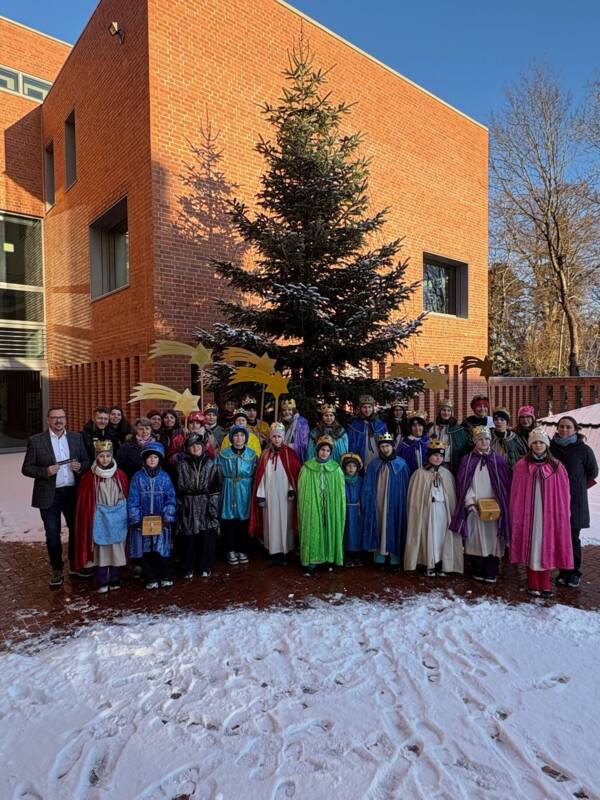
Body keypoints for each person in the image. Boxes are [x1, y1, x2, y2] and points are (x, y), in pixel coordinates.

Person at [22, 406, 91, 587]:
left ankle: (75, 565)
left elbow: (87, 461)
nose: (58, 421)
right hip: (49, 494)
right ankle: (57, 568)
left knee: (76, 530)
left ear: (66, 419)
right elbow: (26, 468)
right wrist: (45, 471)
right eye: (54, 418)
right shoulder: (36, 441)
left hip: (72, 493)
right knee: (52, 534)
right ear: (48, 420)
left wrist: (81, 466)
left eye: (61, 417)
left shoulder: (76, 438)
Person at [509, 429, 573, 598]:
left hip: (549, 515)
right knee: (531, 545)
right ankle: (532, 581)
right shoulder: (522, 466)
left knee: (547, 545)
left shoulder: (556, 466)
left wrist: (561, 514)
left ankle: (545, 581)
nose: (538, 445)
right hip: (528, 514)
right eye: (535, 442)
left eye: (541, 442)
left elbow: (563, 494)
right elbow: (516, 493)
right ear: (530, 445)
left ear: (547, 445)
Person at [450, 426, 511, 584]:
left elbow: (504, 484)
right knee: (476, 538)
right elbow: (463, 483)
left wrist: (499, 502)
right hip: (475, 507)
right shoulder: (467, 459)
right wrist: (470, 503)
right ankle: (478, 569)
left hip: (494, 508)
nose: (484, 442)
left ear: (490, 440)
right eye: (480, 439)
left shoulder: (498, 460)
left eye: (486, 439)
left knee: (493, 538)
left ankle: (491, 569)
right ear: (475, 441)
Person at [73, 440, 129, 592]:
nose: (105, 459)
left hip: (118, 518)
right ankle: (102, 580)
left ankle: (116, 578)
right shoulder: (89, 478)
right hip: (99, 518)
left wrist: (118, 509)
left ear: (112, 457)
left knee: (116, 549)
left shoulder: (120, 475)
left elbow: (125, 495)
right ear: (97, 458)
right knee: (101, 550)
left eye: (108, 456)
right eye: (102, 456)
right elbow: (85, 504)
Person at [550, 416, 599, 588]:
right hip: (555, 500)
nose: (564, 430)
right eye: (561, 426)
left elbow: (593, 471)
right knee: (559, 537)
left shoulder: (583, 450)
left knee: (573, 537)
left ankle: (574, 572)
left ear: (575, 429)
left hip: (575, 501)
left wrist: (577, 486)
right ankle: (563, 571)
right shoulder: (551, 448)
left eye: (568, 427)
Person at [404, 439, 463, 577]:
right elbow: (414, 499)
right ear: (429, 456)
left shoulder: (447, 474)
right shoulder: (419, 473)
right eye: (435, 455)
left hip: (444, 511)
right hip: (427, 512)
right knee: (430, 537)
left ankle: (442, 564)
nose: (438, 458)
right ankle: (429, 564)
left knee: (443, 537)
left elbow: (451, 496)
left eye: (441, 456)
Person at [249, 422, 301, 565]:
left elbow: (294, 473)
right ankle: (272, 552)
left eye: (279, 436)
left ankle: (285, 552)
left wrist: (292, 489)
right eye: (274, 437)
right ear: (270, 438)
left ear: (283, 437)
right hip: (269, 496)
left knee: (285, 523)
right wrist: (260, 494)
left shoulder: (290, 454)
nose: (277, 439)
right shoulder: (265, 455)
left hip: (286, 497)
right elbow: (261, 476)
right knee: (270, 523)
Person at [127, 440, 176, 590]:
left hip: (161, 521)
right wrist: (136, 518)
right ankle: (150, 577)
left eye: (155, 457)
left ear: (159, 459)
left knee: (162, 550)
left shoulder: (165, 477)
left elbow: (171, 498)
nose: (152, 460)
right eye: (149, 457)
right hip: (143, 522)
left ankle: (165, 575)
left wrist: (168, 515)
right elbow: (133, 499)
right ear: (145, 459)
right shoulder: (137, 477)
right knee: (146, 550)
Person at [297, 435, 346, 576]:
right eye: (322, 449)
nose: (324, 452)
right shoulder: (307, 467)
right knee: (313, 527)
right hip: (312, 504)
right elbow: (302, 489)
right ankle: (312, 560)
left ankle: (329, 558)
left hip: (330, 506)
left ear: (331, 453)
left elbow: (340, 493)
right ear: (317, 450)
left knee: (329, 527)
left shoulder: (335, 469)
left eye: (327, 450)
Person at [175, 433, 222, 579]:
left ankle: (205, 566)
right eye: (192, 446)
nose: (195, 448)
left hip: (205, 503)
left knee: (206, 536)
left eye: (198, 445)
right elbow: (176, 488)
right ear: (188, 448)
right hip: (188, 503)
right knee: (188, 537)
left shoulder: (211, 464)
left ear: (203, 447)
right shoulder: (181, 465)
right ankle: (188, 566)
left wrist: (212, 508)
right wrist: (180, 506)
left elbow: (216, 487)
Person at [362, 432, 411, 568]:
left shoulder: (401, 464)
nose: (385, 449)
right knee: (379, 522)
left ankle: (394, 554)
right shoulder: (374, 465)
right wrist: (368, 500)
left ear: (393, 447)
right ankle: (379, 553)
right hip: (378, 500)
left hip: (395, 501)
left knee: (394, 523)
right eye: (382, 446)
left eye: (387, 446)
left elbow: (406, 486)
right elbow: (367, 485)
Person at [218, 424, 258, 565]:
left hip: (245, 490)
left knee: (243, 520)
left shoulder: (252, 455)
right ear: (231, 437)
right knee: (229, 521)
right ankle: (230, 549)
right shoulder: (223, 454)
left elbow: (256, 474)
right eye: (236, 435)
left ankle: (243, 549)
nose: (239, 438)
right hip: (228, 488)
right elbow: (218, 475)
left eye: (242, 435)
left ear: (246, 438)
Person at [428, 400, 470, 474]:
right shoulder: (433, 427)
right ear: (439, 411)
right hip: (434, 462)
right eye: (443, 410)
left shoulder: (458, 429)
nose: (446, 413)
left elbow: (462, 446)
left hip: (450, 463)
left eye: (448, 410)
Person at [347, 394, 387, 469]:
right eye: (364, 407)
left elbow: (386, 442)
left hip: (377, 456)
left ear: (373, 408)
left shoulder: (380, 424)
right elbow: (351, 444)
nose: (367, 410)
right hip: (361, 457)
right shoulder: (354, 425)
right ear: (360, 408)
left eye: (369, 407)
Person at [341, 453, 364, 567]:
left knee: (357, 532)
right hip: (346, 509)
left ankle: (357, 554)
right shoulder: (341, 480)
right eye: (349, 466)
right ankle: (347, 555)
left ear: (358, 468)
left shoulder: (360, 480)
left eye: (354, 466)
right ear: (344, 467)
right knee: (346, 532)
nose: (351, 469)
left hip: (357, 510)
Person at [280, 398, 310, 463]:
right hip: (282, 454)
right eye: (284, 410)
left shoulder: (301, 423)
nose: (287, 412)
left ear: (294, 411)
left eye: (289, 410)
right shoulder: (280, 422)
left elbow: (304, 443)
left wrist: (291, 446)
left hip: (295, 455)